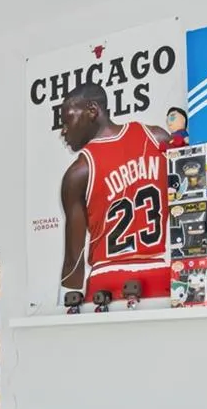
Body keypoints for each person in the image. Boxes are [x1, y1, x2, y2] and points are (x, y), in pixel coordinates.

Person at [57, 82, 172, 307]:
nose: (63, 131)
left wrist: (63, 312)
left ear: (92, 110)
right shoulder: (157, 138)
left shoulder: (78, 173)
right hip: (161, 276)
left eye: (67, 120)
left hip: (106, 284)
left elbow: (74, 260)